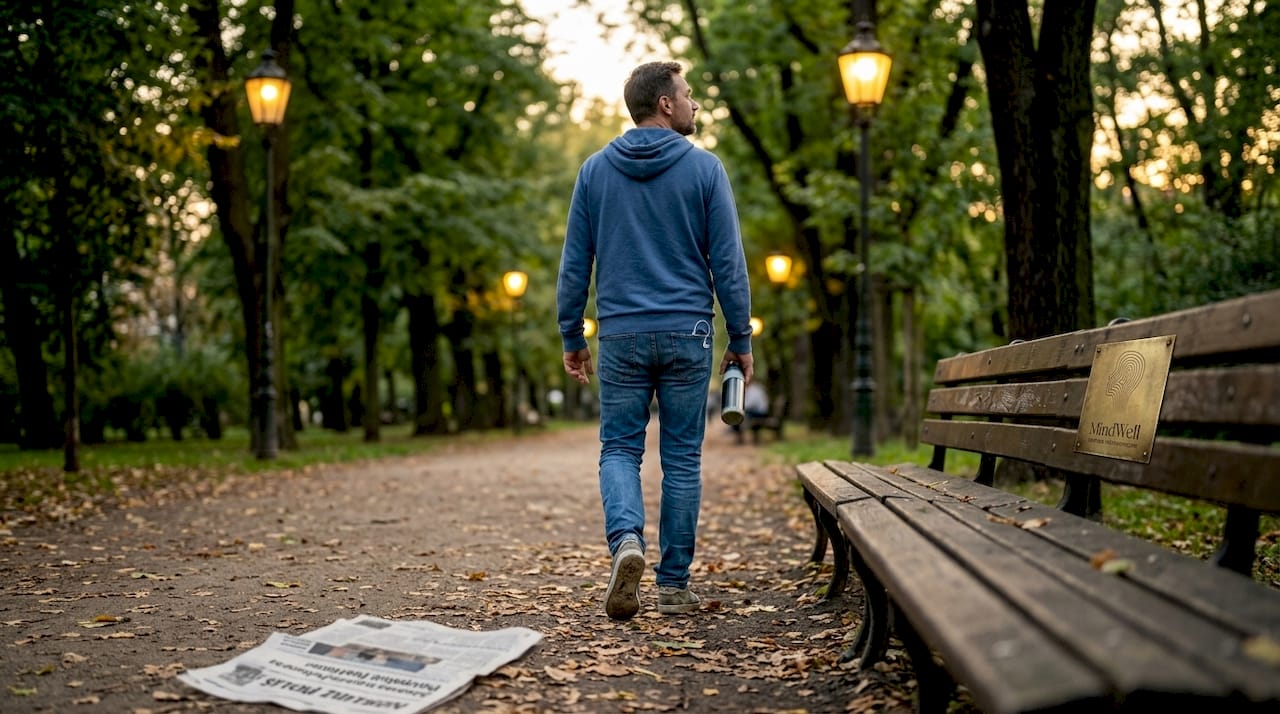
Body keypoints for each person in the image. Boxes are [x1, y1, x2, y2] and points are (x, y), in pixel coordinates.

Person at [556, 61, 753, 620]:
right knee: (682, 459)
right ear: (665, 104)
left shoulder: (594, 171)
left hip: (620, 334)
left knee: (620, 448)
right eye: (688, 95)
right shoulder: (706, 170)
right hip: (688, 333)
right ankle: (672, 587)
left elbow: (576, 265)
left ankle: (626, 544)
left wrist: (573, 334)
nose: (694, 104)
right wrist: (740, 337)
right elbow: (729, 266)